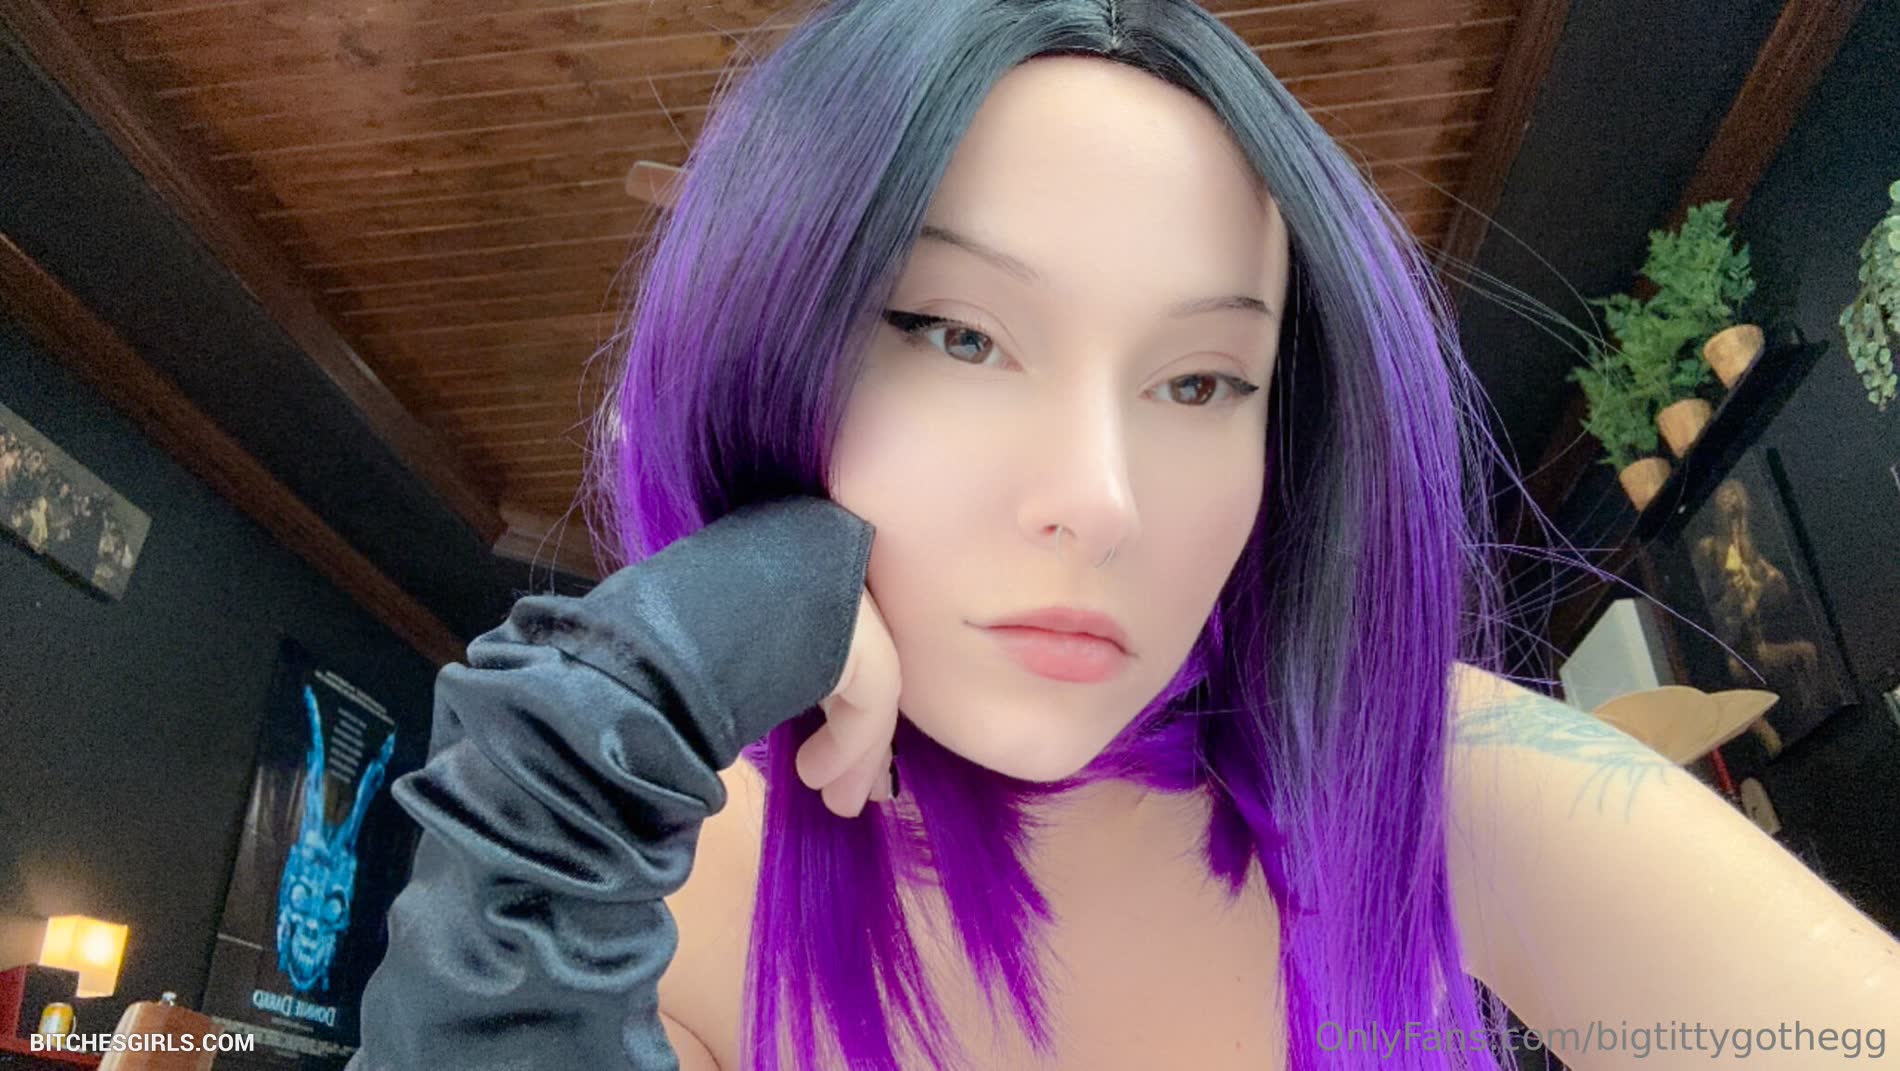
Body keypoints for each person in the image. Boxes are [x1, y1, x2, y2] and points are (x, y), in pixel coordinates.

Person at [346, 2, 1900, 1069]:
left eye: (1202, 380)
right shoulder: (675, 899)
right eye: (958, 335)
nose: (1103, 498)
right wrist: (617, 698)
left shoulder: (1424, 777)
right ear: (764, 351)